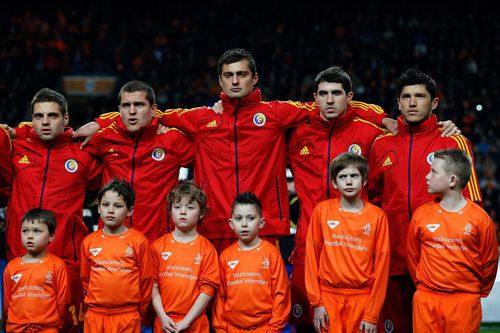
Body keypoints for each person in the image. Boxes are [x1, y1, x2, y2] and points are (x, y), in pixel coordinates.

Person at [78, 49, 390, 253]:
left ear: (254, 78)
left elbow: (328, 104)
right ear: (220, 81)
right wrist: (98, 122)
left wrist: (383, 118)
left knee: (260, 303)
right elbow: (151, 112)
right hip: (214, 224)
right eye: (229, 75)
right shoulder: (202, 119)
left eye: (242, 74)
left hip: (264, 222)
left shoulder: (277, 113)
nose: (235, 80)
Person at [367, 68, 483, 332]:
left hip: (439, 265)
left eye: (419, 96)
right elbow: (372, 201)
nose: (412, 102)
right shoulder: (381, 145)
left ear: (434, 103)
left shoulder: (453, 142)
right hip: (393, 261)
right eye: (406, 97)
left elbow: (473, 205)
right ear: (398, 103)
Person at [287, 66, 385, 329]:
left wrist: (385, 118)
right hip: (307, 242)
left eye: (337, 93)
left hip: (353, 248)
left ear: (349, 96)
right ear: (314, 98)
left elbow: (379, 186)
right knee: (305, 323)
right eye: (324, 94)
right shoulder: (296, 133)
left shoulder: (371, 133)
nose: (330, 100)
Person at [4, 88, 101, 332]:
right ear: (32, 119)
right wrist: (19, 131)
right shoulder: (16, 148)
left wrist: (99, 125)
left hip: (67, 260)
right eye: (39, 116)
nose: (45, 122)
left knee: (66, 326)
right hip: (20, 257)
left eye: (52, 116)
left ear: (66, 119)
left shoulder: (84, 152)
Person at [84, 80, 194, 241]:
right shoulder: (104, 138)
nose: (132, 111)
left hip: (157, 241)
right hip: (111, 241)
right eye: (126, 106)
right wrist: (99, 123)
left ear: (153, 109)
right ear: (119, 110)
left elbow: (210, 151)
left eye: (139, 105)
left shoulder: (173, 140)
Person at [406, 148, 498, 332]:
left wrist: (471, 292)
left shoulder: (480, 219)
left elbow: (489, 262)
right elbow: (412, 255)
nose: (427, 176)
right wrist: (425, 286)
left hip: (464, 302)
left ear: (452, 180)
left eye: (433, 171)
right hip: (426, 299)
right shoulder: (421, 214)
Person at [305, 153, 389, 333]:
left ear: (364, 180)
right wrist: (316, 303)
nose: (349, 182)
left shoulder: (377, 216)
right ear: (334, 183)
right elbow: (311, 257)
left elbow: (382, 266)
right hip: (328, 298)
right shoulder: (322, 211)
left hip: (363, 300)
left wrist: (372, 313)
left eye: (354, 176)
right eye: (343, 177)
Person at [80, 178, 153, 332]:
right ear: (98, 208)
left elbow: (146, 281)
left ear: (130, 211)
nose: (111, 210)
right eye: (105, 205)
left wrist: (138, 312)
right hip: (95, 316)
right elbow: (86, 279)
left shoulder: (139, 241)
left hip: (127, 316)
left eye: (118, 206)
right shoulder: (89, 242)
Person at [212, 192, 291, 332]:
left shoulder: (271, 253)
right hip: (232, 329)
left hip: (265, 328)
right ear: (231, 223)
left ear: (261, 223)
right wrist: (221, 329)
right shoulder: (225, 256)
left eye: (250, 218)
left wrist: (273, 329)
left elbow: (281, 294)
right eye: (238, 218)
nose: (244, 224)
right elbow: (220, 298)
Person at [150, 182, 219, 332]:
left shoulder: (207, 249)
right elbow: (152, 285)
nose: (183, 212)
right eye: (177, 207)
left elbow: (207, 290)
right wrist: (162, 317)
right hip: (164, 322)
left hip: (195, 324)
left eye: (190, 207)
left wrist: (187, 321)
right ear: (170, 211)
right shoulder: (157, 246)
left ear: (201, 213)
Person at [3, 208, 70, 332]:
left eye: (36, 231)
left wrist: (55, 325)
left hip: (47, 329)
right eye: (25, 231)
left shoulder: (57, 265)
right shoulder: (11, 267)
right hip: (16, 329)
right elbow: (7, 302)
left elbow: (63, 302)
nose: (29, 236)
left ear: (51, 236)